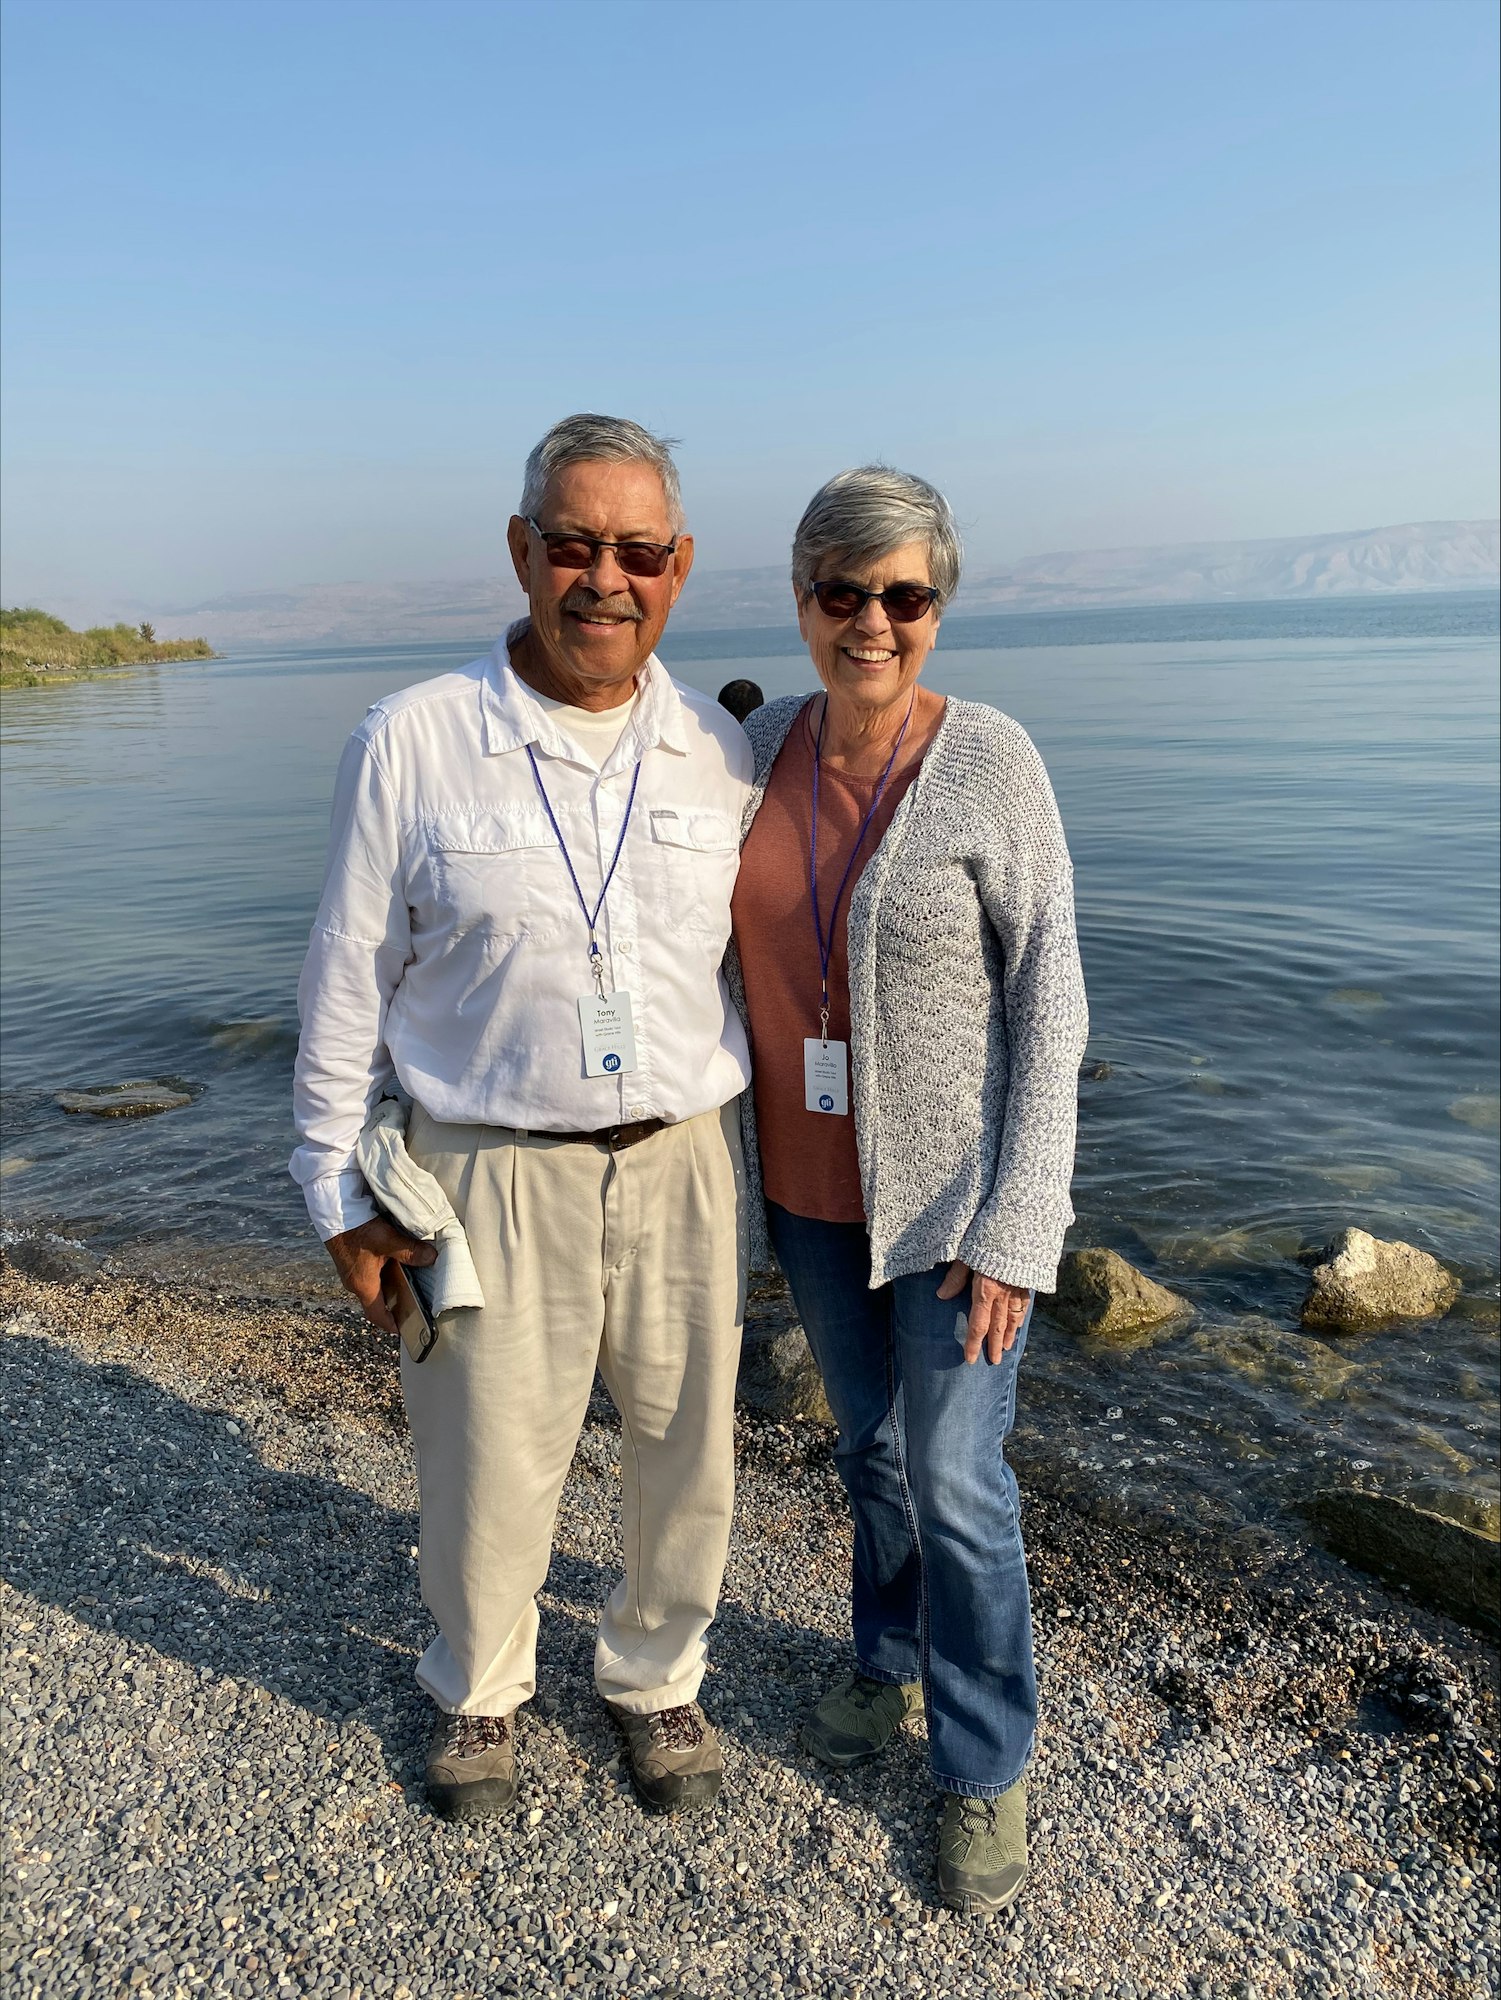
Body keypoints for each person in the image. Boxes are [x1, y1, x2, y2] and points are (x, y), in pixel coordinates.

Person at [292, 413, 752, 1820]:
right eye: (571, 545)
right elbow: (341, 981)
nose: (600, 581)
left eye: (634, 552)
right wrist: (332, 1191)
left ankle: (655, 1678)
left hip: (681, 1166)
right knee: (486, 1454)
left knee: (689, 1451)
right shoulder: (413, 741)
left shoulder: (722, 754)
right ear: (521, 551)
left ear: (676, 568)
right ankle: (479, 1692)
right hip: (484, 1169)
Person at [728, 466, 1087, 1913]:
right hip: (808, 1198)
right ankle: (881, 1662)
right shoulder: (746, 747)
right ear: (800, 599)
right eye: (840, 593)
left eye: (903, 596)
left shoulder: (991, 759)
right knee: (869, 1456)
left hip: (953, 1212)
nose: (870, 622)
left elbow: (1050, 1003)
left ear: (937, 603)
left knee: (953, 1478)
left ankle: (984, 1761)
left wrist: (1022, 1229)